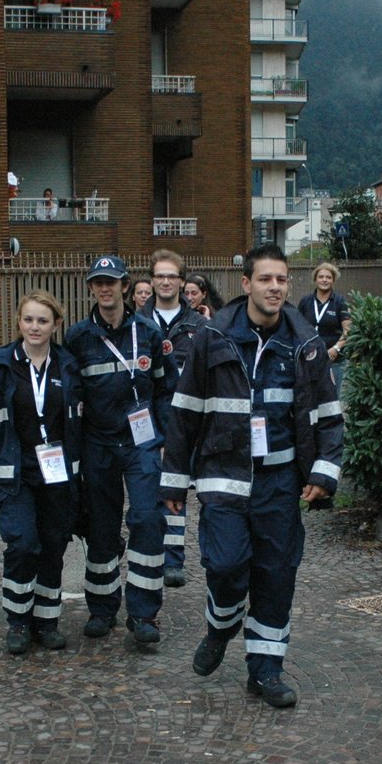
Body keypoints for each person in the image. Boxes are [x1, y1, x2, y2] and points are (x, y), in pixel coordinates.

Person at [163, 244, 343, 708]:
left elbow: (327, 414)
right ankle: (221, 625)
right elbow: (185, 412)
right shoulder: (213, 337)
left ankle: (265, 671)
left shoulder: (305, 344)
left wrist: (323, 472)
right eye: (266, 279)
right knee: (224, 566)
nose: (276, 287)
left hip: (280, 481)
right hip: (223, 476)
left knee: (276, 575)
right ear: (246, 285)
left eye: (282, 279)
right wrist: (174, 480)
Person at [0, 291, 84, 655]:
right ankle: (17, 621)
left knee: (52, 547)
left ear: (55, 325)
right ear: (19, 322)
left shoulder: (67, 366)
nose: (35, 327)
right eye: (28, 319)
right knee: (22, 543)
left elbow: (78, 425)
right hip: (15, 473)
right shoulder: (1, 365)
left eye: (42, 320)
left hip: (58, 475)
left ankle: (46, 621)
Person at [63, 255, 173, 646]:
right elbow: (69, 399)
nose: (105, 289)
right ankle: (102, 607)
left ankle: (144, 613)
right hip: (99, 444)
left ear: (126, 285)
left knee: (146, 519)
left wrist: (164, 442)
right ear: (91, 288)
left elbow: (164, 392)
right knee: (101, 527)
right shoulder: (77, 338)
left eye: (112, 282)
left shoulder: (147, 331)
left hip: (141, 443)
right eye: (98, 283)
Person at [139, 249, 209, 589]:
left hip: (186, 424)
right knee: (149, 494)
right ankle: (151, 555)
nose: (165, 281)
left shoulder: (200, 326)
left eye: (172, 276)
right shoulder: (136, 323)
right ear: (151, 281)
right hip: (147, 423)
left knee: (178, 489)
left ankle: (174, 561)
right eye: (159, 275)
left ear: (182, 282)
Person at [297, 262, 351, 389]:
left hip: (333, 360)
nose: (324, 280)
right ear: (315, 279)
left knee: (332, 400)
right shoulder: (305, 302)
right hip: (309, 359)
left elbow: (348, 330)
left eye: (328, 277)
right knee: (309, 398)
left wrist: (336, 349)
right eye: (321, 277)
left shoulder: (340, 302)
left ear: (333, 280)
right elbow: (298, 328)